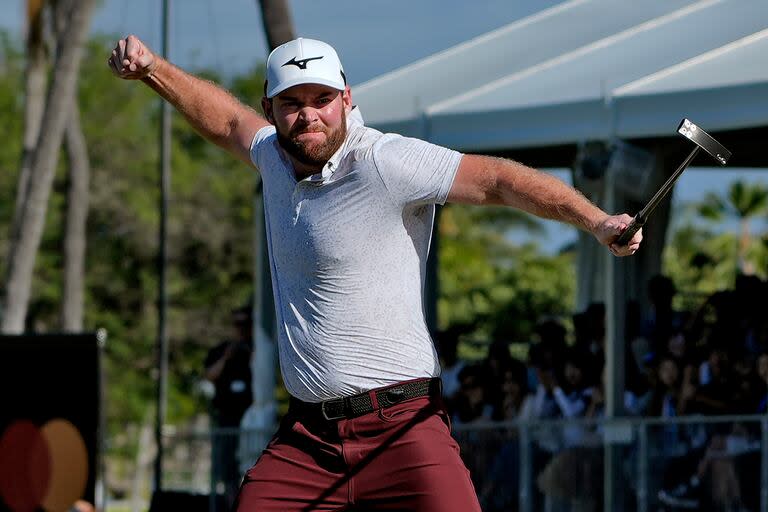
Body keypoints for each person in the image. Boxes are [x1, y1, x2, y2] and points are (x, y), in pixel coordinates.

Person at [109, 34, 643, 511]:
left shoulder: (386, 161)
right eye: (292, 104)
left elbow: (498, 180)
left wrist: (596, 220)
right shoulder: (272, 155)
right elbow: (225, 118)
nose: (309, 115)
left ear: (347, 98)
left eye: (322, 100)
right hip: (308, 440)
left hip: (403, 431)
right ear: (270, 108)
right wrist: (154, 68)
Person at [204, 305, 253, 505]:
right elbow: (209, 375)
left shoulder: (255, 349)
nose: (240, 329)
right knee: (227, 469)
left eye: (245, 324)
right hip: (226, 418)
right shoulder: (221, 350)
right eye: (237, 324)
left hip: (250, 418)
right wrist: (227, 357)